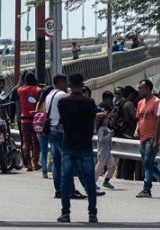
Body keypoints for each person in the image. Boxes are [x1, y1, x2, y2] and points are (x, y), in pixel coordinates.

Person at [57, 73, 98, 224]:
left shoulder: (63, 102)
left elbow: (62, 122)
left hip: (68, 144)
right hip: (85, 145)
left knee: (66, 180)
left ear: (69, 84)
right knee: (90, 181)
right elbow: (92, 121)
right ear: (82, 84)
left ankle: (65, 213)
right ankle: (92, 214)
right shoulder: (90, 102)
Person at [43, 74, 84, 199]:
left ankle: (59, 189)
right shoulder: (61, 95)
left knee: (57, 162)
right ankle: (70, 190)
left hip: (51, 130)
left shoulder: (49, 95)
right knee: (68, 161)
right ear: (60, 82)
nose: (68, 85)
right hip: (60, 132)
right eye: (66, 83)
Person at [135, 79, 160, 199]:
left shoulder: (156, 102)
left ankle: (147, 189)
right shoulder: (140, 103)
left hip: (152, 137)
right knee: (148, 163)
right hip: (142, 137)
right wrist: (137, 129)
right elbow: (139, 119)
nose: (139, 90)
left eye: (142, 87)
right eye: (139, 87)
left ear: (149, 89)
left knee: (147, 162)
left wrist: (156, 139)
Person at [17, 72, 42, 171]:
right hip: (36, 119)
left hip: (24, 120)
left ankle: (28, 163)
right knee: (36, 142)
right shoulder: (39, 90)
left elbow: (20, 87)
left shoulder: (20, 90)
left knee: (26, 142)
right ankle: (35, 162)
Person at [94, 112, 116, 190]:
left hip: (107, 151)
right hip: (103, 151)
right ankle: (92, 182)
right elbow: (101, 140)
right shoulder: (101, 129)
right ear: (102, 120)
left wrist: (111, 139)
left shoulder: (106, 128)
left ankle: (106, 180)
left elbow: (107, 139)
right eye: (106, 119)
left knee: (112, 166)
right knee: (99, 168)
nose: (107, 120)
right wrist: (109, 135)